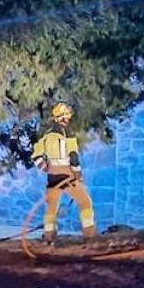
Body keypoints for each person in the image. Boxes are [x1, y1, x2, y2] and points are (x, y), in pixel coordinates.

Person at [31, 102, 96, 243]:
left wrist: (46, 168)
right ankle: (90, 236)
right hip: (67, 176)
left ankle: (48, 237)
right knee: (85, 202)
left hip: (52, 177)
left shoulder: (47, 136)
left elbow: (35, 156)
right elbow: (73, 156)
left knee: (52, 207)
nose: (68, 120)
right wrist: (78, 174)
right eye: (67, 117)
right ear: (64, 118)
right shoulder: (68, 133)